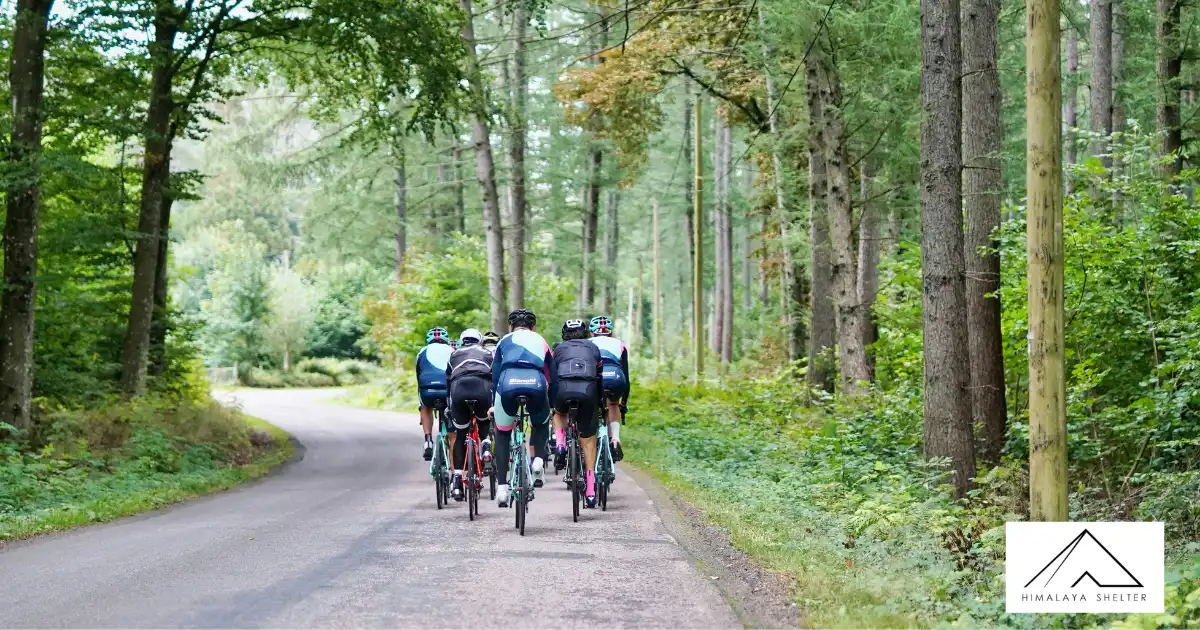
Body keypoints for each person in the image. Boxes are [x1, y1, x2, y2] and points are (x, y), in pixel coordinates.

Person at [489, 309, 557, 507]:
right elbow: (552, 376)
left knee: (502, 434)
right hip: (535, 385)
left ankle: (502, 488)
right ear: (532, 327)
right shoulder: (541, 341)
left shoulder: (504, 341)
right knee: (540, 423)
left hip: (508, 385)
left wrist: (495, 403)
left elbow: (494, 375)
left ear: (511, 326)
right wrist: (551, 404)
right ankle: (537, 462)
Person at [550, 319, 603, 507]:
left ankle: (561, 444)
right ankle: (590, 491)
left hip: (563, 389)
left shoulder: (558, 350)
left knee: (558, 412)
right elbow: (599, 377)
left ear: (564, 334)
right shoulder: (593, 348)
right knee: (588, 440)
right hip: (588, 390)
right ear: (586, 333)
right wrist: (599, 402)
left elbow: (552, 376)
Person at [445, 328, 494, 501]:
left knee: (460, 435)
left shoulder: (454, 354)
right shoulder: (487, 353)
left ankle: (457, 481)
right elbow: (495, 378)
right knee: (484, 421)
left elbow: (448, 381)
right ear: (479, 340)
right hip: (482, 387)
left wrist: (449, 407)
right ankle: (486, 446)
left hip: (459, 389)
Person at [589, 315, 629, 461]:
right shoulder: (620, 344)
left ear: (591, 332)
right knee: (613, 403)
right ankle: (615, 440)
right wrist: (623, 403)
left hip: (595, 377)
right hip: (616, 377)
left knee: (590, 405)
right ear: (610, 332)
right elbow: (627, 377)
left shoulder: (587, 343)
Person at [415, 327, 453, 460]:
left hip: (428, 390)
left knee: (425, 406)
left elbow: (418, 377)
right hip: (447, 391)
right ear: (446, 340)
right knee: (453, 421)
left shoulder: (422, 352)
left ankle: (428, 440)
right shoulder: (453, 351)